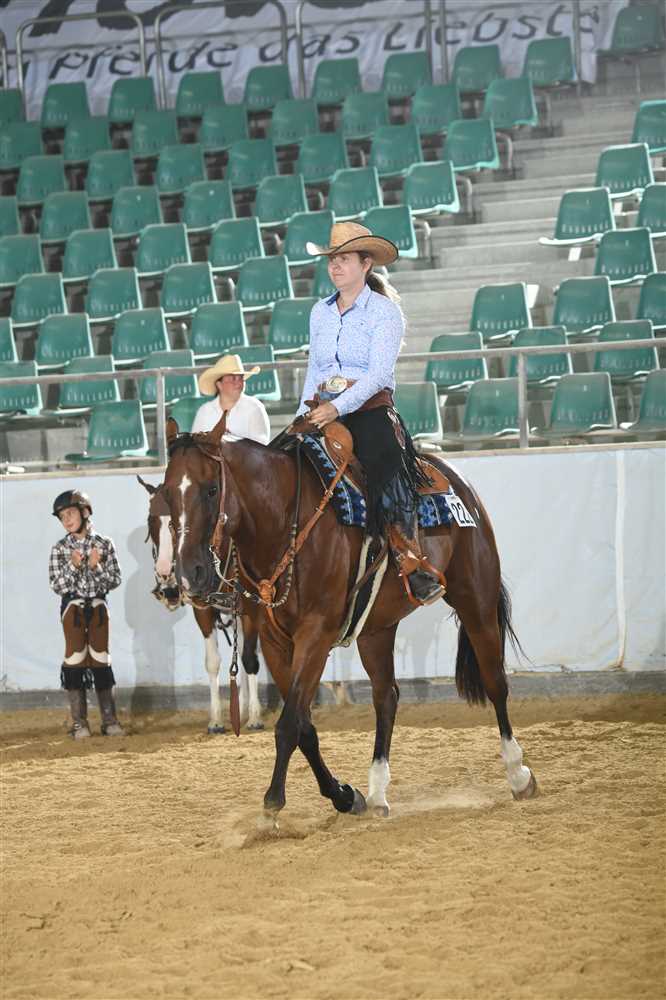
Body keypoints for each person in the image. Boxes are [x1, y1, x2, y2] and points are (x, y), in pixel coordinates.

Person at [296, 221, 445, 606]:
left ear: (366, 264)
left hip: (368, 408)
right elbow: (314, 369)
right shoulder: (319, 312)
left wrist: (336, 407)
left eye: (344, 259)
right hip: (321, 407)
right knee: (284, 461)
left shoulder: (384, 312)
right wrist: (303, 414)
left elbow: (378, 375)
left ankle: (408, 554)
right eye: (332, 259)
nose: (335, 266)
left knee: (386, 460)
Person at [49, 490, 124, 739]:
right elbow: (57, 585)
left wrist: (96, 566)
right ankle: (79, 723)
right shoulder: (60, 548)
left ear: (84, 512)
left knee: (101, 659)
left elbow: (115, 580)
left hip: (99, 607)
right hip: (73, 608)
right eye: (62, 517)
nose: (66, 520)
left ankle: (109, 720)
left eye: (70, 513)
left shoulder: (105, 543)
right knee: (75, 659)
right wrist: (73, 565)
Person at [192, 353, 271, 444]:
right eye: (233, 378)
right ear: (219, 385)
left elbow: (261, 445)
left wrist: (232, 441)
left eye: (241, 378)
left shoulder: (254, 407)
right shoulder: (205, 411)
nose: (238, 383)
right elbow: (194, 443)